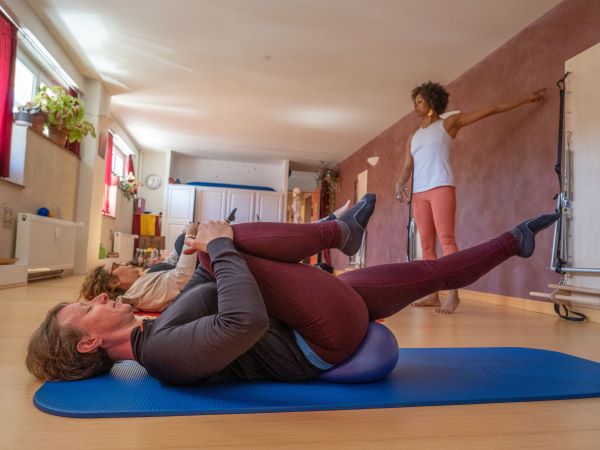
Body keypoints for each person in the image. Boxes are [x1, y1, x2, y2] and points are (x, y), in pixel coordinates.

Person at [26, 194, 558, 385]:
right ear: (89, 344)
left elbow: (222, 292)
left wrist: (209, 256)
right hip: (320, 340)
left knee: (430, 273)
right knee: (221, 243)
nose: (95, 296)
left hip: (320, 310)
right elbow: (245, 323)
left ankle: (514, 242)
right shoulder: (162, 354)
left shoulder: (156, 329)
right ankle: (336, 232)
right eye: (83, 307)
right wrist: (220, 249)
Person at [396, 81, 546, 314]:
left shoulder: (449, 123)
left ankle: (453, 294)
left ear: (432, 103)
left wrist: (525, 99)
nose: (415, 107)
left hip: (441, 186)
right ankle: (433, 293)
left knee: (446, 240)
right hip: (419, 194)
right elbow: (408, 166)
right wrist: (399, 183)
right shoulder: (413, 137)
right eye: (414, 102)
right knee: (425, 244)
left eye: (419, 102)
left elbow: (491, 110)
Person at [78, 223, 199, 312]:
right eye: (117, 266)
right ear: (114, 282)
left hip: (190, 272)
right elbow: (183, 275)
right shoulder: (140, 293)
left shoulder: (141, 282)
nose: (125, 263)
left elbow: (170, 263)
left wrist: (184, 240)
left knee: (180, 241)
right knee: (182, 240)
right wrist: (190, 236)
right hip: (197, 278)